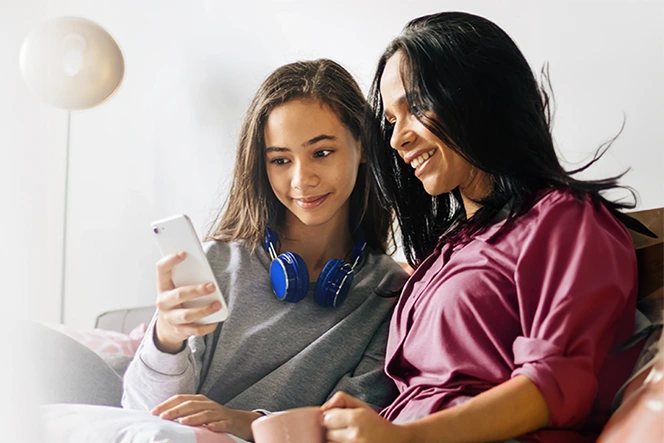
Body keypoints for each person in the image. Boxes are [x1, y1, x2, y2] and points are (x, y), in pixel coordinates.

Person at [321, 12, 644, 443]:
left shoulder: (562, 219)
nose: (397, 139)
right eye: (392, 120)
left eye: (416, 106)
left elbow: (553, 388)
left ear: (478, 96)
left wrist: (408, 438)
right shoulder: (447, 250)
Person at [121, 58, 408, 442]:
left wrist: (244, 422)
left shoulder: (390, 293)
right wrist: (166, 338)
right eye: (280, 160)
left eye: (322, 152)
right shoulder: (219, 262)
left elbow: (356, 426)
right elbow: (144, 412)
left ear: (364, 147)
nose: (301, 179)